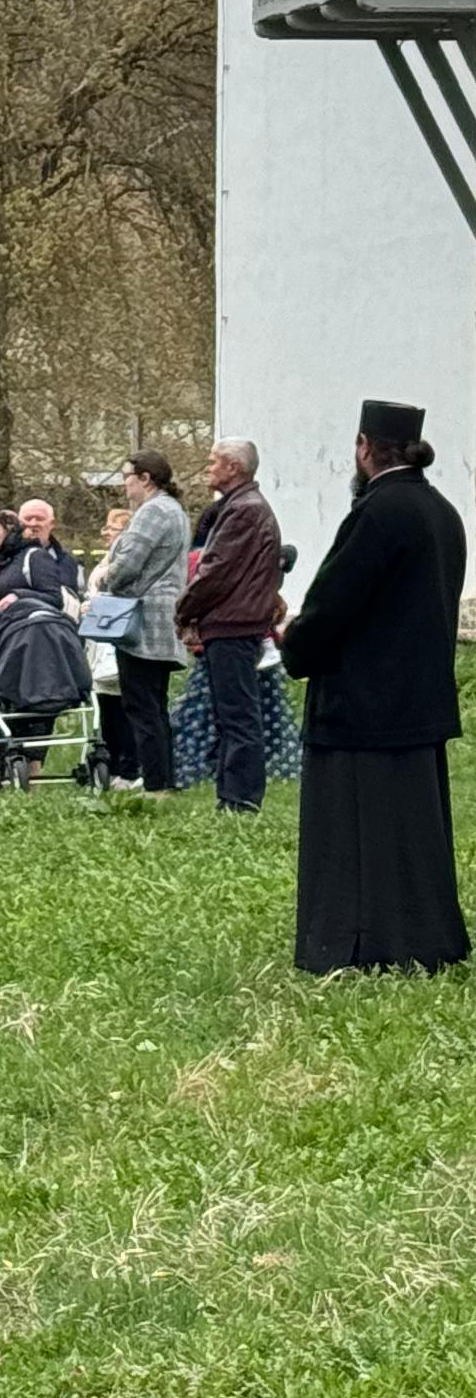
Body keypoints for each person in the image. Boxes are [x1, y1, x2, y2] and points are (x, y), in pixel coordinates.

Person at [281, 400, 470, 976]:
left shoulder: (378, 513)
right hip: (420, 699)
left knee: (355, 834)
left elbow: (334, 605)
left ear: (364, 448)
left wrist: (295, 642)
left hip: (361, 707)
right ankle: (426, 938)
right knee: (413, 833)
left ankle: (358, 945)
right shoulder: (441, 511)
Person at [179, 438, 290, 815]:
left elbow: (216, 571)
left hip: (233, 624)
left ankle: (241, 799)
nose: (208, 468)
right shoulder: (242, 506)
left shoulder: (243, 510)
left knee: (238, 716)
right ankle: (231, 796)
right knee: (232, 715)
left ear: (233, 467)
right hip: (234, 622)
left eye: (214, 461)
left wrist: (184, 611)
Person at [91, 449, 191, 796]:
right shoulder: (175, 510)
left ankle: (154, 784)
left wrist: (105, 577)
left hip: (143, 621)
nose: (124, 485)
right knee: (156, 706)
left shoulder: (152, 511)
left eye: (127, 477)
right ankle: (164, 779)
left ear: (145, 478)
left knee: (140, 706)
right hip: (163, 618)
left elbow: (129, 563)